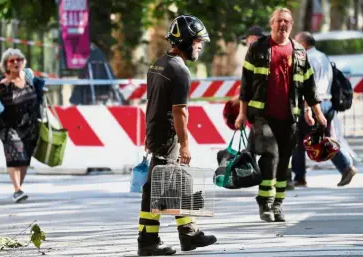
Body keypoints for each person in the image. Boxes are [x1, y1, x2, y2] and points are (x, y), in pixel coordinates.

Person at [235, 8, 327, 223]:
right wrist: (241, 113)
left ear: (291, 25)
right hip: (262, 115)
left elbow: (309, 86)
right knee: (270, 155)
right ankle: (264, 202)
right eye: (279, 21)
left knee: (285, 161)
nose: (282, 24)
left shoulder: (299, 52)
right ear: (271, 24)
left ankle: (278, 204)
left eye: (286, 21)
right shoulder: (258, 48)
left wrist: (316, 113)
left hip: (289, 116)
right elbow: (245, 84)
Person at [137, 15, 217, 256]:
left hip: (156, 131)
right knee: (155, 188)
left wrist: (148, 132)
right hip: (167, 136)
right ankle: (147, 241)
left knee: (176, 182)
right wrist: (184, 145)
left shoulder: (158, 64)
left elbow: (151, 102)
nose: (200, 45)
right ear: (186, 41)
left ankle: (189, 233)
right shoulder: (179, 70)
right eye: (198, 41)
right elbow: (179, 111)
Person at [291, 31, 357, 187]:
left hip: (314, 105)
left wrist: (307, 108)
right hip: (327, 103)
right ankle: (345, 167)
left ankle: (300, 177)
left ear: (304, 45)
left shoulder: (306, 59)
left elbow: (309, 86)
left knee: (301, 140)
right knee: (320, 139)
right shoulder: (323, 57)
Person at [0, 48, 46, 203]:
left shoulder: (30, 78)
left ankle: (19, 188)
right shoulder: (1, 81)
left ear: (23, 62)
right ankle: (17, 189)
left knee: (25, 158)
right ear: (6, 65)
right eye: (12, 61)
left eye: (19, 60)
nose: (16, 62)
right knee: (15, 153)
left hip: (29, 124)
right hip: (7, 125)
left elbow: (40, 92)